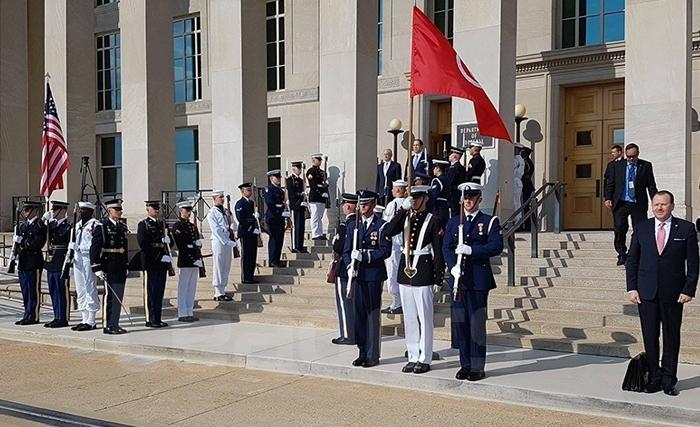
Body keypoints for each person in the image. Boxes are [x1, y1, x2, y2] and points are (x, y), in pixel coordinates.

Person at [626, 191, 698, 396]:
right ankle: (654, 379)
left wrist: (688, 289)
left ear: (672, 206)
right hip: (646, 292)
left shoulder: (686, 228)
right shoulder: (642, 228)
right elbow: (632, 260)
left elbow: (693, 264)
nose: (659, 208)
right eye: (656, 204)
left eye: (663, 204)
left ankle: (668, 380)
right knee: (650, 337)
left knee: (671, 337)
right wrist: (632, 287)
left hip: (674, 294)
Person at [443, 183, 503, 381]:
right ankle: (465, 364)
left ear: (479, 199)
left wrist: (472, 250)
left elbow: (495, 246)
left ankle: (477, 366)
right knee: (461, 324)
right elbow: (447, 248)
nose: (468, 200)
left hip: (478, 280)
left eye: (472, 197)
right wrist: (452, 265)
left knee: (476, 325)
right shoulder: (453, 222)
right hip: (458, 280)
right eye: (465, 197)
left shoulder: (489, 221)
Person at [383, 185, 444, 374]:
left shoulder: (433, 220)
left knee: (424, 317)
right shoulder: (406, 216)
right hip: (405, 269)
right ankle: (413, 354)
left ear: (425, 198)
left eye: (418, 198)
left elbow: (438, 250)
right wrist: (402, 210)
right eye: (412, 198)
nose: (415, 201)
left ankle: (425, 357)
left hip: (424, 269)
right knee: (409, 317)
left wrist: (438, 277)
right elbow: (388, 231)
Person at [343, 190, 390, 368]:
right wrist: (349, 265)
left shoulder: (381, 226)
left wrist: (366, 257)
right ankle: (362, 352)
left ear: (373, 204)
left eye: (366, 204)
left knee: (372, 315)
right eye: (360, 204)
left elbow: (385, 251)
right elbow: (347, 251)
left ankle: (372, 354)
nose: (362, 207)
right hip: (357, 276)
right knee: (359, 316)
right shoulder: (353, 226)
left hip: (373, 275)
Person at [604, 143, 658, 265]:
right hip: (621, 203)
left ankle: (634, 253)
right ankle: (622, 253)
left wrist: (656, 200)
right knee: (619, 229)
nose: (631, 159)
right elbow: (611, 183)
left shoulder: (646, 166)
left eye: (634, 156)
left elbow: (651, 185)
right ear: (625, 154)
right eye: (629, 157)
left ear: (638, 154)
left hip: (638, 203)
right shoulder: (616, 166)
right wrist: (608, 198)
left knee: (639, 230)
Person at [136, 200, 172, 328]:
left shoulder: (162, 224)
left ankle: (157, 318)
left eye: (158, 208)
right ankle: (150, 319)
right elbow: (143, 244)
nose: (157, 210)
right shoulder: (143, 224)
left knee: (159, 292)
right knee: (150, 292)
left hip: (162, 264)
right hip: (151, 262)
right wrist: (159, 256)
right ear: (148, 210)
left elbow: (169, 242)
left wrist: (169, 241)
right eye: (154, 208)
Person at [331, 193, 358, 345]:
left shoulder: (345, 226)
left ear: (347, 206)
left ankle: (348, 334)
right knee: (352, 302)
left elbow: (339, 246)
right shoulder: (359, 224)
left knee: (344, 303)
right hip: (355, 267)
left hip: (343, 267)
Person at [71, 201, 103, 331]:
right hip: (77, 257)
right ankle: (84, 317)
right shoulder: (76, 225)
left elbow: (96, 245)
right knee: (80, 288)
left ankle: (91, 319)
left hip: (88, 257)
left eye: (83, 210)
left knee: (90, 287)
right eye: (80, 210)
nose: (80, 212)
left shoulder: (96, 225)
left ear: (90, 212)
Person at [14, 201, 47, 326]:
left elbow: (37, 244)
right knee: (25, 290)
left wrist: (22, 241)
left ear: (34, 210)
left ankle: (33, 316)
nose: (25, 212)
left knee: (33, 290)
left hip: (33, 261)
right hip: (23, 261)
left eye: (27, 210)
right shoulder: (23, 226)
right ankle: (26, 314)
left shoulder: (39, 226)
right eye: (24, 210)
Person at [99, 198, 129, 334]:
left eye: (120, 210)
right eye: (117, 210)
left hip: (120, 265)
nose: (120, 212)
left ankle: (115, 323)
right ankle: (108, 324)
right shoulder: (103, 227)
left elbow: (125, 247)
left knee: (118, 295)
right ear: (109, 211)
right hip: (109, 265)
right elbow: (96, 248)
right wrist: (97, 267)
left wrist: (126, 264)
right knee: (110, 296)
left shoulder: (121, 227)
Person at [172, 200, 203, 323]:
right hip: (185, 260)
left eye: (189, 211)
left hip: (194, 259)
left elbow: (194, 242)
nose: (189, 213)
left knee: (191, 287)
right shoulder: (178, 226)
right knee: (183, 287)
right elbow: (181, 245)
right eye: (186, 211)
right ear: (181, 211)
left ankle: (189, 311)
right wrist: (192, 259)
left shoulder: (192, 226)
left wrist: (198, 251)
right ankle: (182, 312)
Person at [381, 180, 408, 315]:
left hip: (394, 243)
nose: (392, 191)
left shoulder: (394, 204)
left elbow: (388, 225)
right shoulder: (408, 203)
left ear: (397, 190)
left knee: (393, 272)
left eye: (393, 189)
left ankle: (397, 302)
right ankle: (398, 302)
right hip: (404, 243)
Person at [43, 200, 71, 328]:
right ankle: (56, 316)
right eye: (52, 210)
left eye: (55, 210)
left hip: (61, 261)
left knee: (61, 290)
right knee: (53, 290)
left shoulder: (68, 227)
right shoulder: (51, 225)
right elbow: (40, 232)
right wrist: (43, 220)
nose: (52, 212)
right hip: (51, 261)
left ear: (63, 210)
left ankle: (63, 318)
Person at [206, 190, 237, 300]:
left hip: (228, 240)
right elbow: (216, 230)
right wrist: (226, 240)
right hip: (218, 241)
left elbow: (233, 223)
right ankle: (218, 292)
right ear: (214, 199)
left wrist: (233, 226)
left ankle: (223, 289)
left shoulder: (227, 211)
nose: (223, 199)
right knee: (219, 264)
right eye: (220, 197)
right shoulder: (211, 213)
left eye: (223, 197)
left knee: (226, 265)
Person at [235, 182, 260, 284]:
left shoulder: (251, 203)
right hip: (246, 232)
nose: (250, 192)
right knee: (246, 256)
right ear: (242, 191)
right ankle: (245, 277)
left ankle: (251, 275)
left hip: (252, 232)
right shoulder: (240, 203)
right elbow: (241, 219)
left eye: (250, 190)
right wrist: (251, 226)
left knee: (252, 255)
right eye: (248, 190)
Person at [264, 169, 289, 268]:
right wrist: (280, 211)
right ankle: (272, 260)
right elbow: (270, 204)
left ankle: (277, 259)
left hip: (280, 218)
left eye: (279, 177)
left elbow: (283, 204)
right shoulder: (268, 189)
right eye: (277, 177)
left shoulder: (280, 190)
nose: (279, 179)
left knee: (280, 240)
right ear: (271, 178)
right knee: (274, 239)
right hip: (273, 218)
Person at [287, 161, 308, 253]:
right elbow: (292, 194)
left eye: (300, 169)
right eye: (298, 169)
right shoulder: (290, 180)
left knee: (301, 226)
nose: (300, 170)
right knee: (297, 226)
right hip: (296, 205)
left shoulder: (300, 180)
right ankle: (297, 246)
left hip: (301, 205)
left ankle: (300, 245)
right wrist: (301, 195)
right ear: (294, 169)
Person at [307, 153, 329, 240]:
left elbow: (323, 183)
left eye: (320, 160)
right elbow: (313, 185)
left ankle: (319, 233)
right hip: (315, 196)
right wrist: (320, 192)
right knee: (315, 216)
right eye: (318, 160)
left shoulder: (322, 172)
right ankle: (315, 234)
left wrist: (326, 185)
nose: (319, 162)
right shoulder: (311, 171)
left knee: (320, 216)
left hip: (321, 197)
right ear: (313, 160)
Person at [430, 159, 451, 230]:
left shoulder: (437, 180)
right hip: (445, 207)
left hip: (438, 208)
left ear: (438, 168)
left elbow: (433, 196)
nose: (433, 170)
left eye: (434, 167)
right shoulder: (447, 179)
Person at [447, 147, 468, 217]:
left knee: (454, 214)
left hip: (453, 194)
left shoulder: (454, 168)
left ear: (455, 156)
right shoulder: (461, 167)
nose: (449, 156)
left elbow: (449, 182)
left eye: (450, 154)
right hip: (458, 194)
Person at [520, 146, 535, 231]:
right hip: (526, 184)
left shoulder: (525, 162)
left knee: (524, 206)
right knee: (525, 206)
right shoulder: (528, 161)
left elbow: (523, 173)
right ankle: (526, 225)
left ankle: (526, 226)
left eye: (522, 152)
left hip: (525, 184)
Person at [513, 143, 525, 221]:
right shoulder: (521, 159)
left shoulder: (515, 159)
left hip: (514, 181)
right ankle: (518, 218)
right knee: (517, 201)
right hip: (518, 181)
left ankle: (516, 219)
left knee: (514, 201)